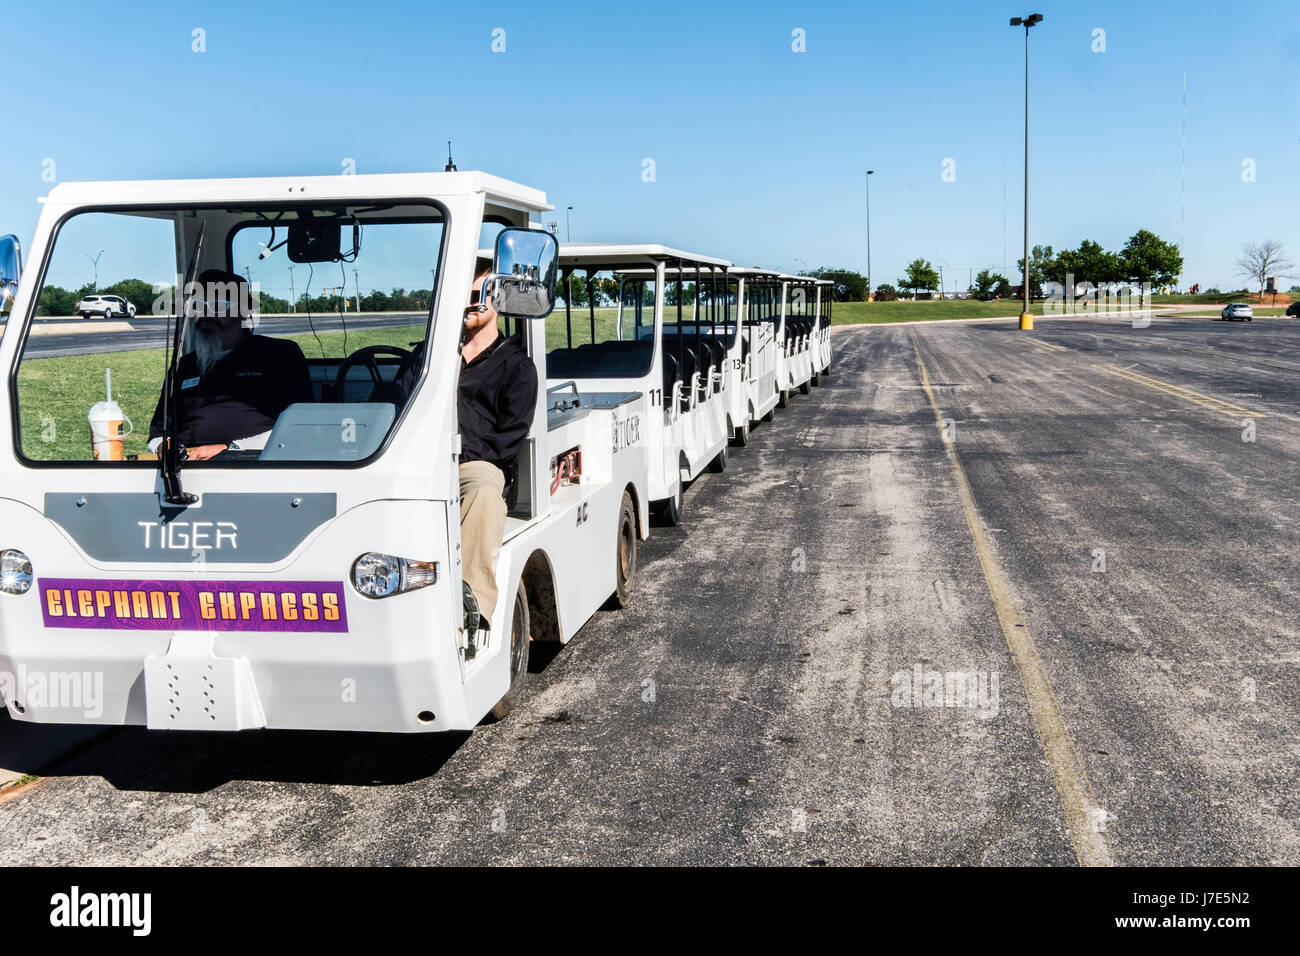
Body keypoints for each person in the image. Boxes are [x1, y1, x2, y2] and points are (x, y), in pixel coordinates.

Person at [148, 270, 314, 459]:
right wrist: (164, 445)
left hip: (256, 462)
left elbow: (300, 425)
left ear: (243, 312)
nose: (204, 314)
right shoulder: (183, 366)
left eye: (216, 306)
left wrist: (231, 449)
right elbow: (156, 434)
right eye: (197, 306)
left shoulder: (280, 354)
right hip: (186, 467)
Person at [458, 257, 538, 638]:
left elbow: (507, 440)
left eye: (478, 295)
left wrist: (457, 451)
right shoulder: (429, 359)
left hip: (474, 466)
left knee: (484, 496)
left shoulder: (516, 367)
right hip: (418, 460)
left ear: (497, 299)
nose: (470, 303)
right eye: (460, 295)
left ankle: (469, 605)